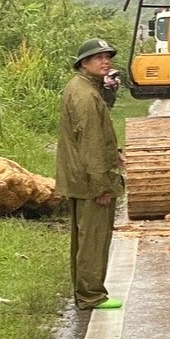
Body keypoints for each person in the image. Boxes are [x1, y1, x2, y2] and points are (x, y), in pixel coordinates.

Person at [57, 37, 126, 310]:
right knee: (94, 239)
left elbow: (95, 134)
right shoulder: (85, 95)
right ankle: (91, 295)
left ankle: (85, 292)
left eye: (107, 56)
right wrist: (103, 187)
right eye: (98, 57)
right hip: (89, 181)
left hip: (78, 176)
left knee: (85, 238)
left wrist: (115, 151)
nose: (105, 61)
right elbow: (91, 144)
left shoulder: (84, 88)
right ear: (84, 63)